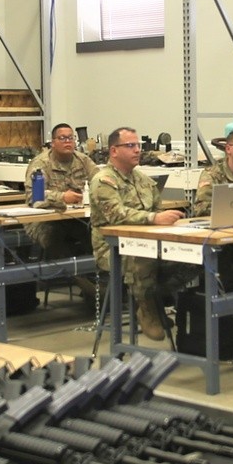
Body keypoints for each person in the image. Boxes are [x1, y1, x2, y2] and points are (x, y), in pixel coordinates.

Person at [89, 126, 188, 341]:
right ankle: (147, 307)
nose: (137, 150)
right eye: (130, 145)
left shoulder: (143, 180)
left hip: (147, 241)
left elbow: (156, 209)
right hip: (113, 248)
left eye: (138, 146)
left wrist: (168, 219)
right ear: (114, 151)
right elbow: (116, 214)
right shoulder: (103, 180)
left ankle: (154, 296)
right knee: (144, 258)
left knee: (189, 259)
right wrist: (154, 219)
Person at [23, 123, 98, 278]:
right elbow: (34, 197)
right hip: (44, 221)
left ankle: (98, 282)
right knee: (57, 241)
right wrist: (62, 197)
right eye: (62, 138)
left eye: (71, 138)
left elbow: (100, 181)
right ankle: (84, 284)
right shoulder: (41, 164)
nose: (67, 142)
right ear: (53, 142)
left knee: (96, 235)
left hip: (76, 219)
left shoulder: (83, 160)